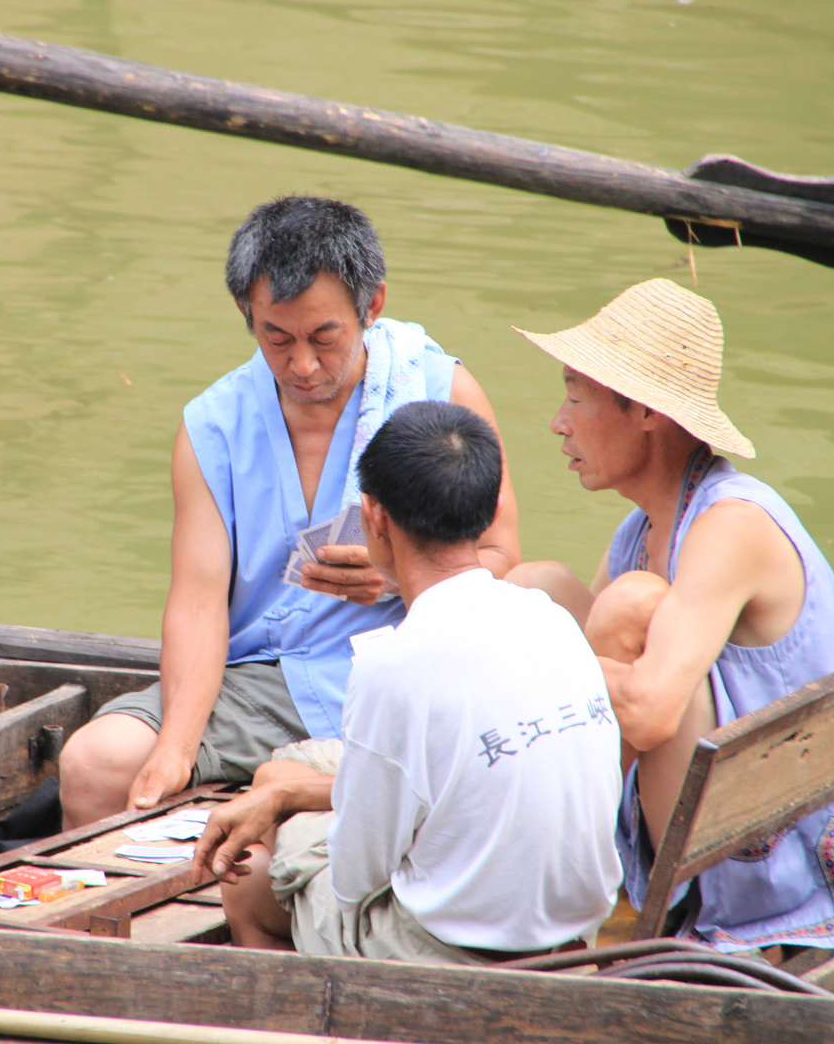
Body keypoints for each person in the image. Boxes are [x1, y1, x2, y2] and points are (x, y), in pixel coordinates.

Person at [57, 197, 521, 827]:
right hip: (259, 685)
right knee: (96, 761)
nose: (301, 365)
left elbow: (498, 558)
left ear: (372, 306)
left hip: (393, 679)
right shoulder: (212, 426)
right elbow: (197, 604)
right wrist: (176, 747)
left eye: (324, 337)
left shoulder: (438, 394)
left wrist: (395, 580)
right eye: (276, 338)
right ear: (248, 316)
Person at [505, 278, 834, 953]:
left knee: (628, 606)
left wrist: (524, 674)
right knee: (537, 588)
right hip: (715, 808)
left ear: (645, 411)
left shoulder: (731, 521)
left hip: (773, 850)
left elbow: (650, 711)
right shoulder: (642, 528)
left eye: (575, 395)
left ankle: (552, 874)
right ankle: (549, 861)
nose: (558, 422)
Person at [191, 401, 623, 963]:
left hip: (444, 953)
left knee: (248, 880)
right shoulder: (551, 616)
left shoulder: (393, 666)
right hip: (571, 935)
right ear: (488, 508)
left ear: (373, 517)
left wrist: (288, 812)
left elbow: (353, 877)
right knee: (280, 773)